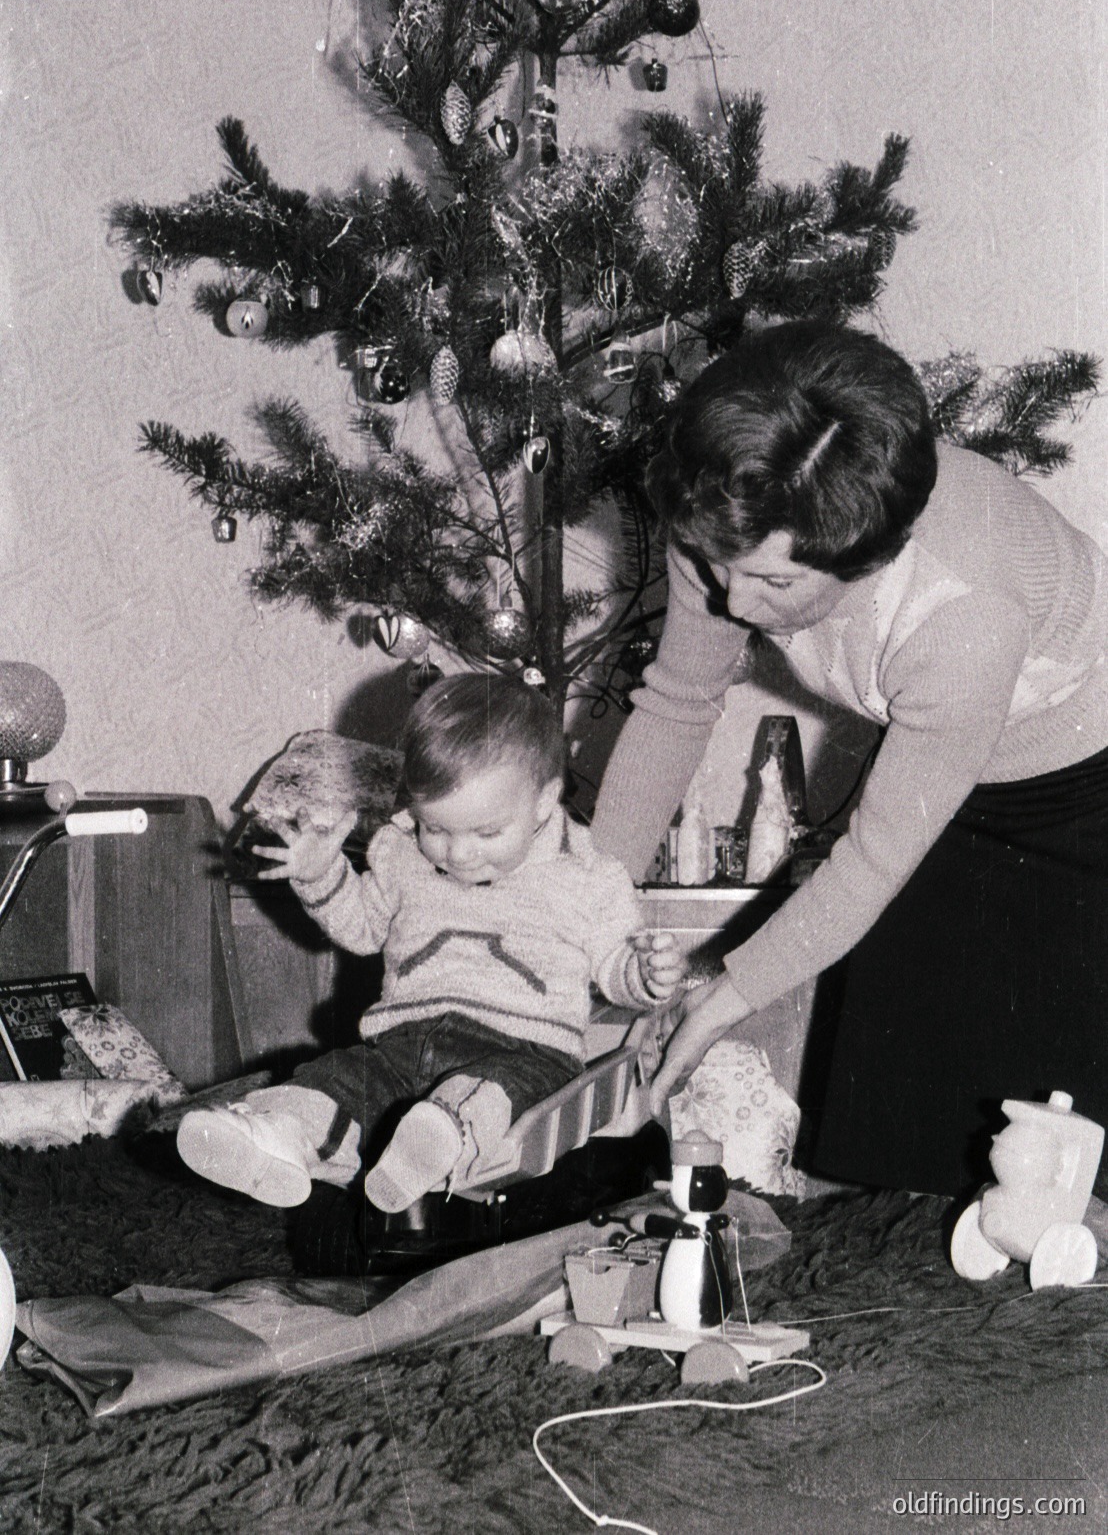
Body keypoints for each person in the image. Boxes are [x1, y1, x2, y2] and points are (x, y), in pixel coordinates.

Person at [591, 319, 1108, 1198]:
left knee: (1070, 1166)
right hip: (959, 780)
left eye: (774, 586)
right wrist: (581, 920)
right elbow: (676, 705)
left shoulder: (962, 611)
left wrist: (713, 1005)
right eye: (721, 572)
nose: (734, 604)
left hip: (1093, 791)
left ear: (864, 555)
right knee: (897, 1151)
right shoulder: (731, 528)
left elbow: (869, 861)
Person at [178, 672, 683, 1212]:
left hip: (525, 1047)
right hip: (403, 1041)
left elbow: (613, 965)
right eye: (434, 828)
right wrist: (320, 875)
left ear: (543, 803)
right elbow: (362, 929)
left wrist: (646, 975)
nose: (458, 853)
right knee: (340, 1078)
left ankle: (441, 1140)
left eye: (486, 833)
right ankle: (276, 1137)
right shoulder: (401, 853)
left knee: (494, 1092)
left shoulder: (587, 876)